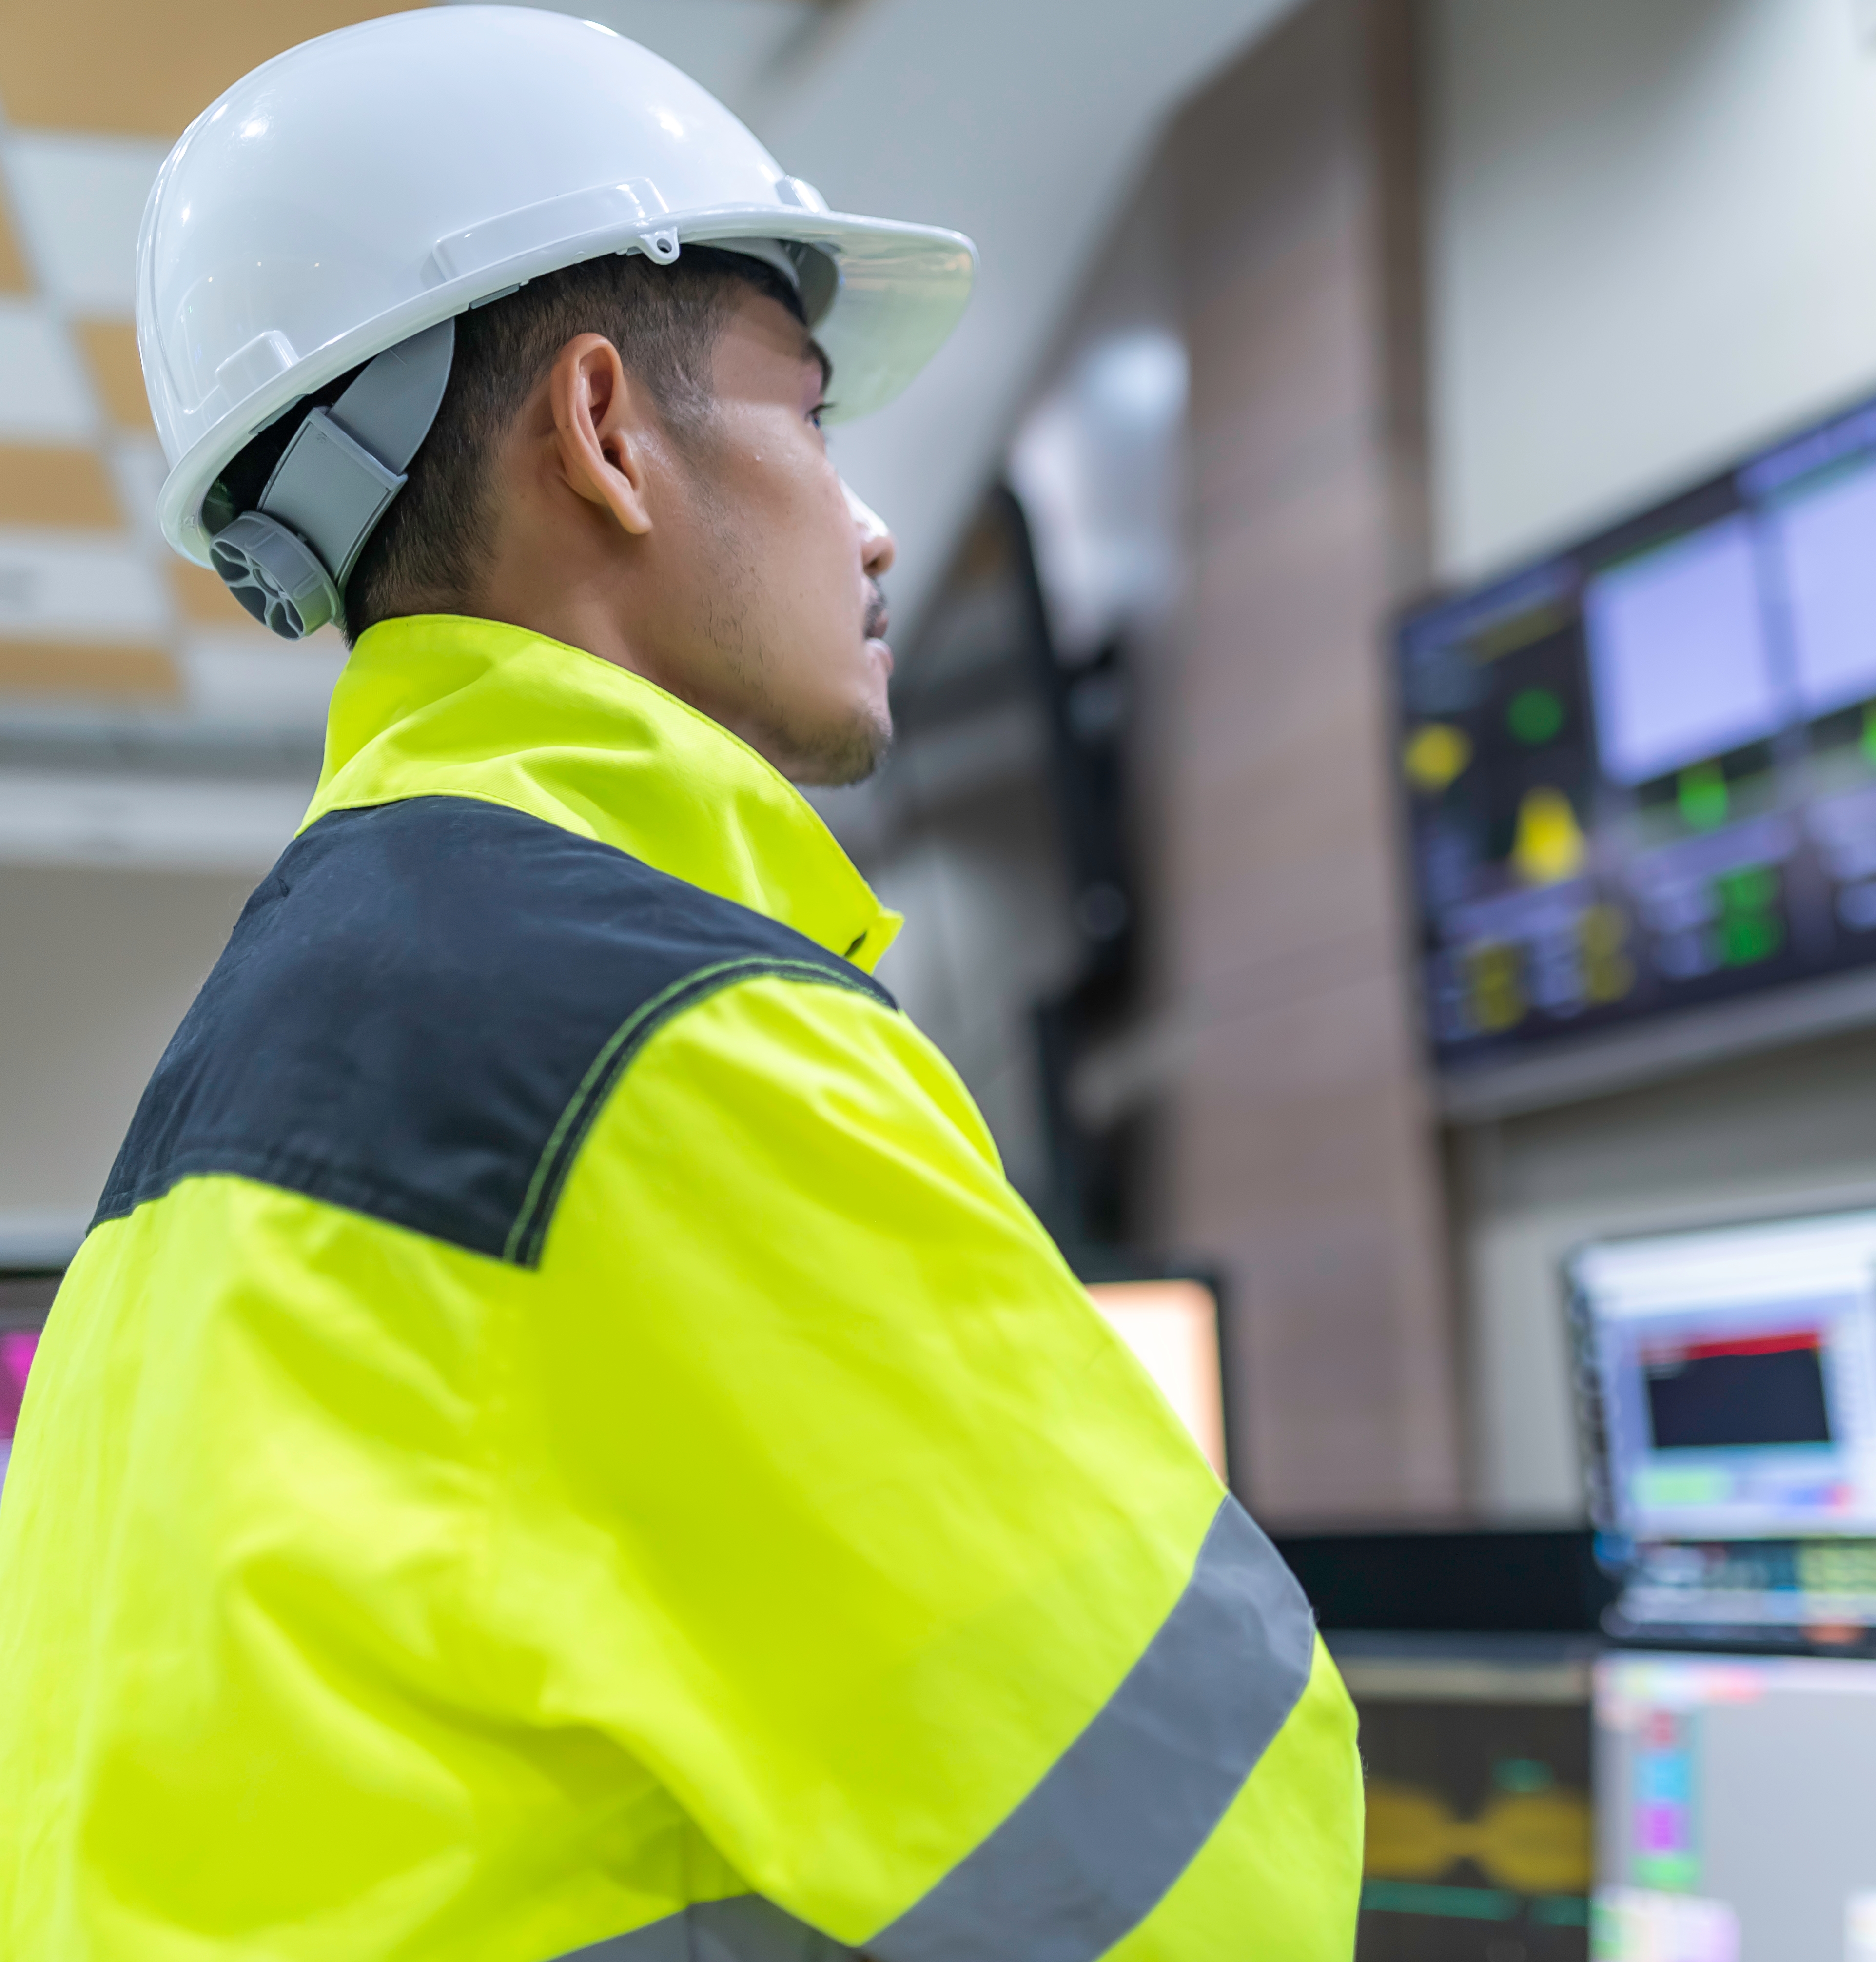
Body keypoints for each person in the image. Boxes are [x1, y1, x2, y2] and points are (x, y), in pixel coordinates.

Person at [0, 11, 1359, 1958]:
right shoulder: (645, 1037)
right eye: (811, 415)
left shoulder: (223, 1106)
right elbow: (1206, 1856)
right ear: (605, 433)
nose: (874, 520)